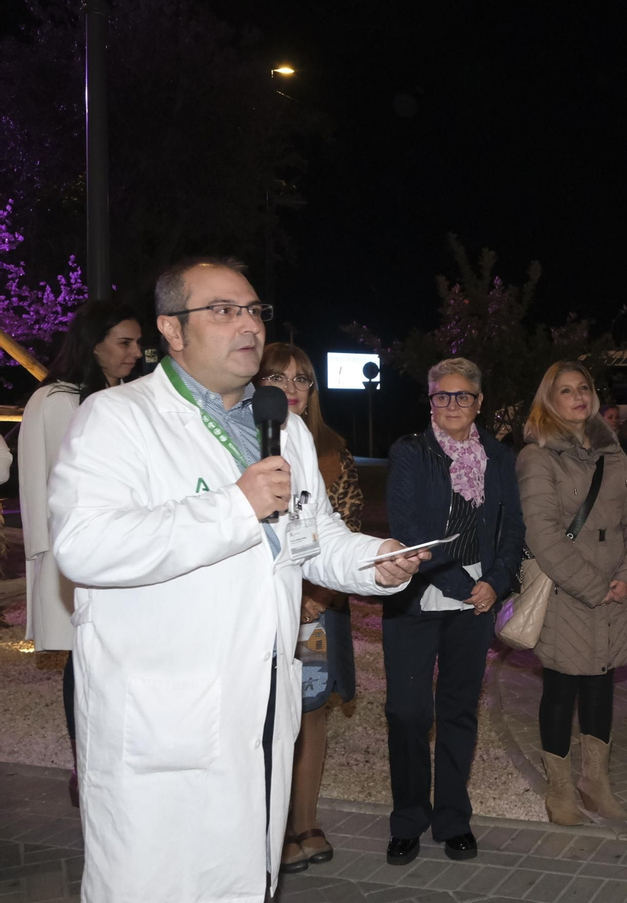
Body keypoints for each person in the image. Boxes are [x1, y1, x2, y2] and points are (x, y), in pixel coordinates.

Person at [47, 257, 426, 902]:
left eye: (253, 310)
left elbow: (311, 537)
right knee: (151, 883)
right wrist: (234, 506)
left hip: (264, 696)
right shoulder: (117, 418)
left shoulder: (279, 426)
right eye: (222, 310)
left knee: (241, 879)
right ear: (171, 328)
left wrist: (374, 561)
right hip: (163, 712)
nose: (247, 324)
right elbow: (85, 547)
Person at [382, 357, 524, 865]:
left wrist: (497, 581)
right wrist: (466, 583)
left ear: (479, 402)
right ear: (431, 400)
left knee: (460, 711)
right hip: (416, 596)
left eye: (463, 396)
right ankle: (408, 821)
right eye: (443, 395)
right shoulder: (410, 453)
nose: (452, 405)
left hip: (476, 602)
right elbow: (407, 527)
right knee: (407, 713)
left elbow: (512, 529)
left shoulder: (500, 458)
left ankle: (452, 819)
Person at [18, 300, 143, 809]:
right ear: (94, 345)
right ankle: (85, 764)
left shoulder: (115, 395)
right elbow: (56, 487)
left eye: (138, 343)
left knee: (111, 662)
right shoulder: (59, 400)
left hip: (121, 553)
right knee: (84, 662)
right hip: (75, 558)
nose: (136, 353)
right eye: (124, 343)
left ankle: (114, 758)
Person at [516, 361, 627, 825]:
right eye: (566, 390)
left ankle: (595, 782)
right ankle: (560, 789)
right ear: (549, 400)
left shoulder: (614, 454)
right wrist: (596, 587)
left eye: (584, 389)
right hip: (568, 591)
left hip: (617, 586)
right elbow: (543, 535)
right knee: (560, 686)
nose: (578, 397)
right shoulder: (536, 456)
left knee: (601, 683)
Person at [253, 343, 364, 873]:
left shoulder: (333, 450)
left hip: (319, 607)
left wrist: (317, 598)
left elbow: (342, 530)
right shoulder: (244, 442)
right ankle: (267, 830)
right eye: (278, 376)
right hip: (265, 605)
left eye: (302, 378)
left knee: (311, 713)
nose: (292, 387)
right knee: (265, 714)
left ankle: (305, 823)